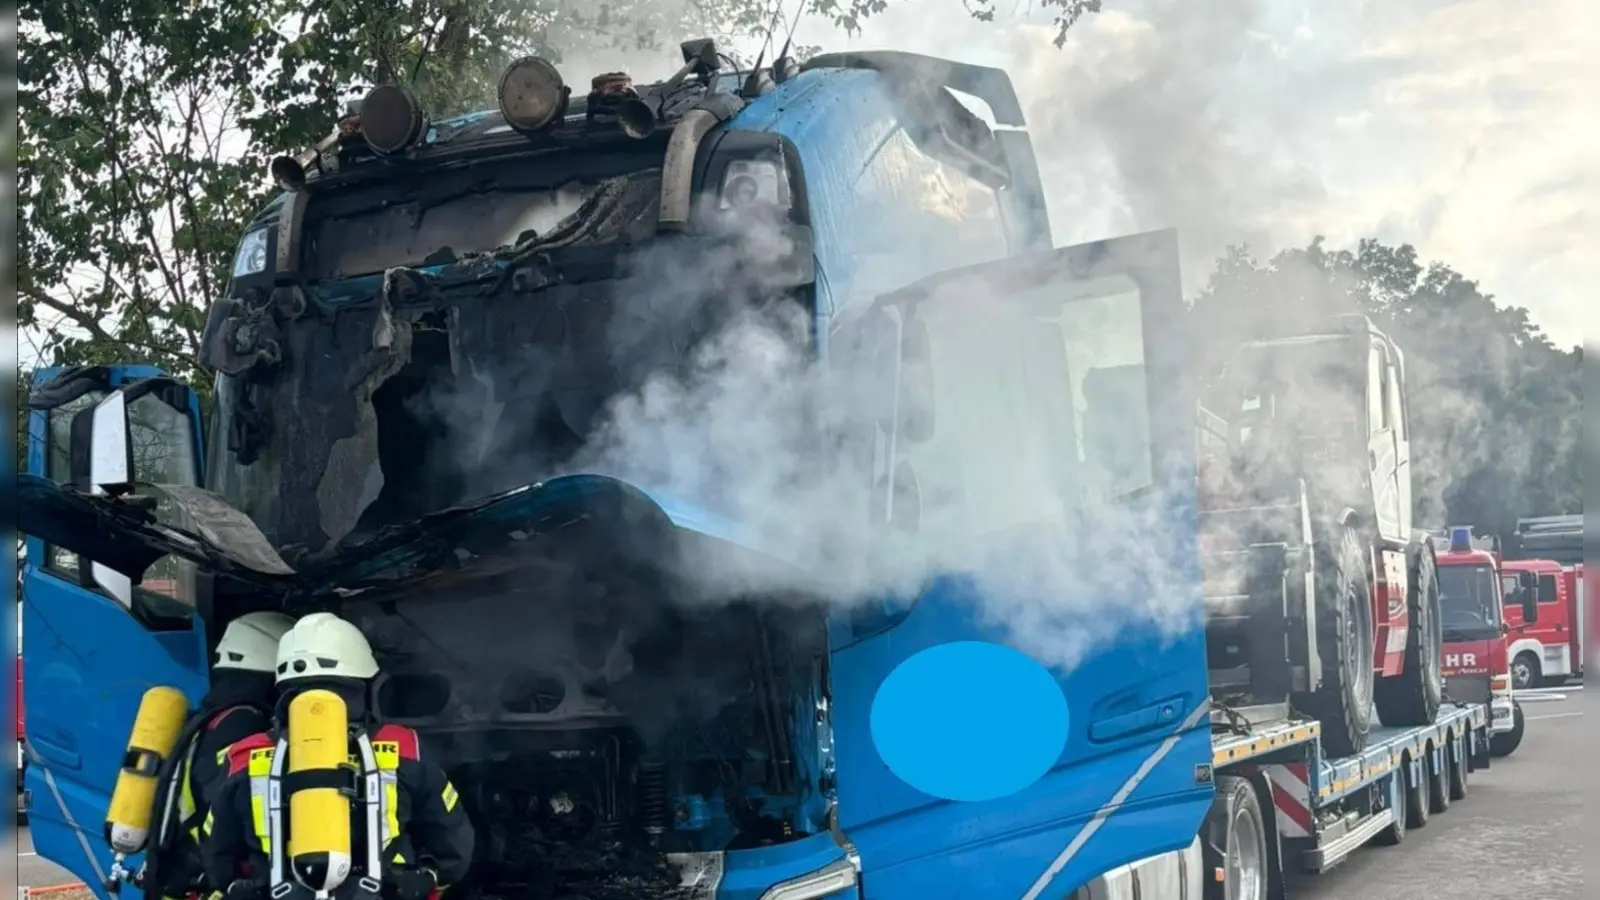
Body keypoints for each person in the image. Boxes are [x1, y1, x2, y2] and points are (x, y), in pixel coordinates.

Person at [201, 612, 474, 900]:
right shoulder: (405, 747)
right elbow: (453, 842)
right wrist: (426, 878)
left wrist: (238, 887)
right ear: (362, 680)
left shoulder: (244, 755)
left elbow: (216, 851)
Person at [144, 611, 297, 900]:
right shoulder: (244, 722)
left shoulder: (212, 715)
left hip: (181, 876)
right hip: (207, 882)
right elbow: (230, 808)